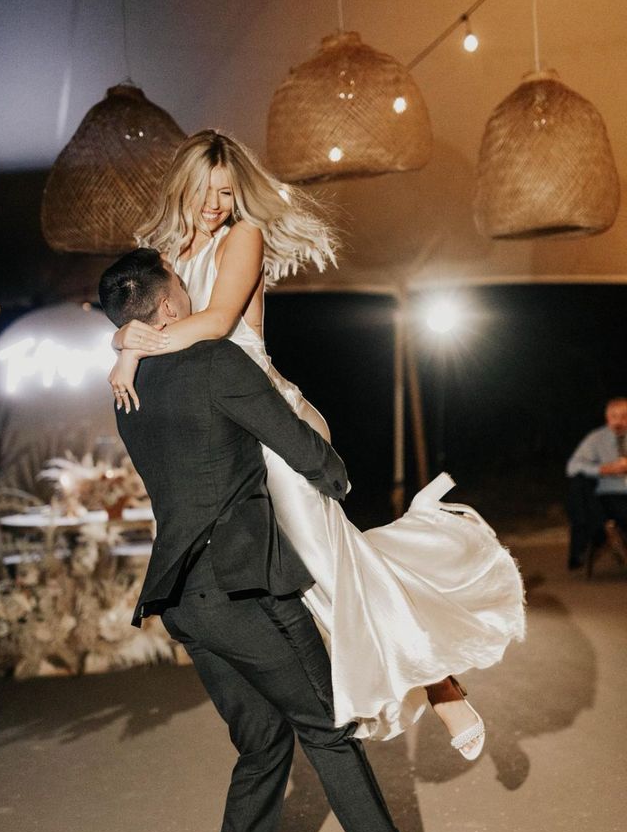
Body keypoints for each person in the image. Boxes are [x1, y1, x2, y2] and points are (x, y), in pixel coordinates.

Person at [109, 129, 525, 753]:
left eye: (228, 191)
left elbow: (218, 323)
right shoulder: (161, 252)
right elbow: (135, 312)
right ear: (183, 188)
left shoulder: (242, 236)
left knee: (324, 561)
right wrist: (121, 348)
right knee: (299, 573)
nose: (217, 204)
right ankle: (356, 685)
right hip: (222, 428)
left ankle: (440, 685)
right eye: (206, 191)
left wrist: (133, 345)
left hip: (272, 420)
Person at [99, 248, 401, 832]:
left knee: (263, 744)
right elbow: (291, 439)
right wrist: (337, 479)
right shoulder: (215, 361)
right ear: (168, 304)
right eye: (182, 288)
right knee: (329, 728)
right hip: (245, 585)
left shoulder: (127, 393)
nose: (190, 295)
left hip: (184, 601)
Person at [566, 397, 627, 569]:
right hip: (611, 494)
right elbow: (573, 466)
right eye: (615, 416)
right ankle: (594, 540)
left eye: (624, 416)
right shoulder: (596, 438)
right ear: (608, 418)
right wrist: (603, 469)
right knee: (579, 487)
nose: (619, 421)